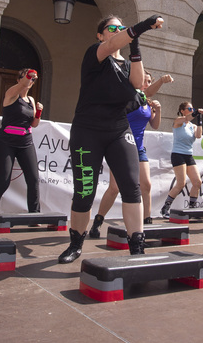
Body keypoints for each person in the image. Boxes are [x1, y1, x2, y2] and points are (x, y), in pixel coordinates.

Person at [58, 14, 164, 264]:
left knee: (131, 186)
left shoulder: (127, 65)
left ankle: (137, 246)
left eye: (121, 27)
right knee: (84, 191)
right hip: (87, 129)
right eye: (112, 28)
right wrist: (140, 27)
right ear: (100, 34)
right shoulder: (95, 52)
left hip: (118, 129)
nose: (118, 30)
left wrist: (136, 43)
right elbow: (110, 47)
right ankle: (76, 243)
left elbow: (138, 84)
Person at [88, 71, 172, 237]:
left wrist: (158, 110)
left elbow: (154, 125)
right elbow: (147, 92)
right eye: (144, 81)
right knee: (115, 188)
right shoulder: (130, 97)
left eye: (149, 81)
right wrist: (162, 80)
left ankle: (146, 222)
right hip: (120, 144)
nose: (146, 84)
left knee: (146, 185)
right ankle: (97, 221)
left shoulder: (147, 102)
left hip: (139, 148)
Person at [0, 69, 43, 226]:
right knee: (3, 181)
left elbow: (33, 124)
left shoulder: (31, 100)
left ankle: (34, 215)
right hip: (6, 142)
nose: (30, 82)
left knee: (34, 179)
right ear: (19, 78)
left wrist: (39, 112)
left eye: (33, 80)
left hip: (25, 142)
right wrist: (28, 76)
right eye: (28, 78)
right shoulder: (11, 94)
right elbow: (21, 85)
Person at [159, 100, 203, 218]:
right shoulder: (178, 121)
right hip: (178, 154)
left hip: (188, 155)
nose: (192, 111)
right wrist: (195, 114)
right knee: (181, 183)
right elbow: (185, 119)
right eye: (189, 109)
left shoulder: (192, 126)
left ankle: (192, 209)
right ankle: (165, 208)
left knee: (197, 182)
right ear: (182, 111)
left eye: (192, 109)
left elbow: (198, 135)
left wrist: (199, 119)